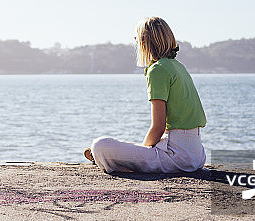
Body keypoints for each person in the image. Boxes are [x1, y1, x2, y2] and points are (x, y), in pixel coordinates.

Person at [85, 16, 207, 173]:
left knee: (99, 145)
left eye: (137, 37)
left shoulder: (158, 70)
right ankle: (118, 160)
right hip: (197, 155)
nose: (135, 40)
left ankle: (108, 159)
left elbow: (158, 127)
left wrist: (142, 152)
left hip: (177, 156)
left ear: (145, 41)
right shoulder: (178, 66)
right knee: (137, 147)